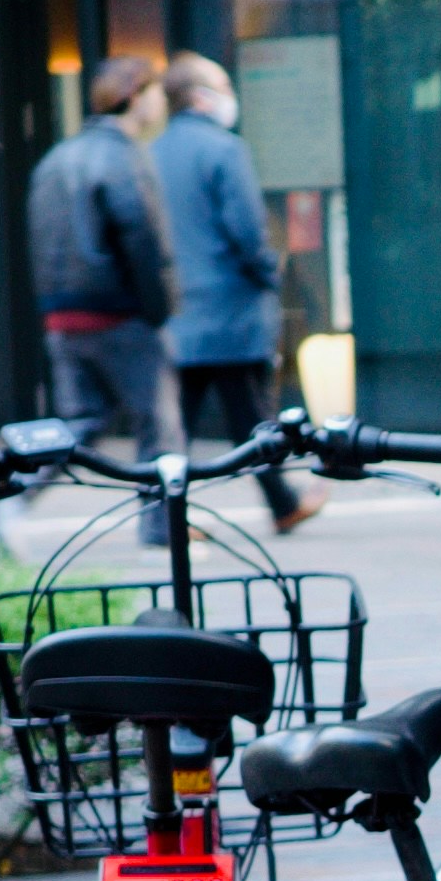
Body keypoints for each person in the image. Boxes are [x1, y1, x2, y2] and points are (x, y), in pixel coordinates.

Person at [150, 48, 306, 527]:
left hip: (180, 311)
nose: (228, 96)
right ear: (199, 96)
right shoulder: (224, 149)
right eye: (221, 85)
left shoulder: (150, 152)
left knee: (181, 423)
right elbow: (246, 229)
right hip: (229, 308)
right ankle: (282, 503)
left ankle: (166, 515)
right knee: (248, 415)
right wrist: (269, 271)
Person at [24, 56, 176, 455]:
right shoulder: (125, 157)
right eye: (157, 92)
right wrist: (157, 311)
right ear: (136, 96)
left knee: (79, 427)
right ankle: (162, 520)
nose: (162, 103)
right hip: (117, 313)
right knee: (158, 429)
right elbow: (142, 237)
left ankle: (13, 498)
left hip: (62, 318)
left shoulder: (55, 159)